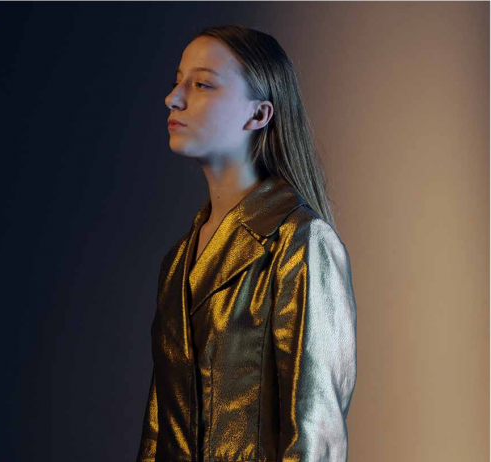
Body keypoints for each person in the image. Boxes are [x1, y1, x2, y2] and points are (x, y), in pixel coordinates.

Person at [136, 24, 357, 462]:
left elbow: (314, 436)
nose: (174, 98)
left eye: (202, 84)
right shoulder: (177, 262)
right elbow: (158, 431)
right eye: (177, 81)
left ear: (258, 115)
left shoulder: (300, 242)